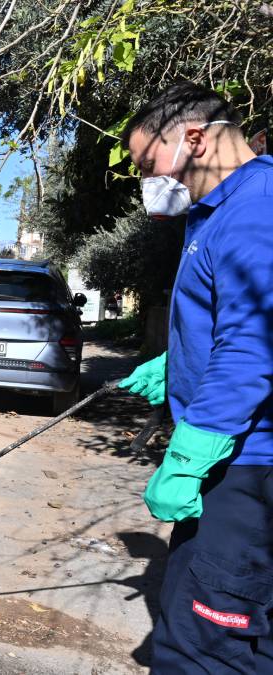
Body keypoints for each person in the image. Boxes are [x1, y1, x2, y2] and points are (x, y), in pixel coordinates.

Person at [119, 81, 273, 672]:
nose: (146, 180)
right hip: (235, 466)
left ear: (192, 138)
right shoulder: (218, 211)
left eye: (146, 162)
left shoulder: (256, 206)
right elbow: (227, 317)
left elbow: (255, 342)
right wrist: (178, 360)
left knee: (204, 650)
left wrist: (189, 453)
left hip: (245, 471)